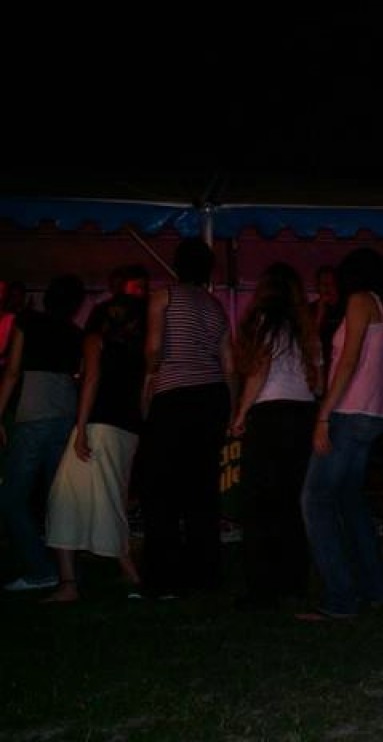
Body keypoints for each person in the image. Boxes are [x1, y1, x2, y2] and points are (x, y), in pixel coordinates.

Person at [300, 247, 383, 621]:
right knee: (349, 499)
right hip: (374, 412)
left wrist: (323, 415)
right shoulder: (381, 306)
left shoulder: (359, 301)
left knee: (315, 499)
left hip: (351, 410)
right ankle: (375, 587)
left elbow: (349, 360)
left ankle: (340, 597)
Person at [136, 238, 234, 599]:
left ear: (177, 265)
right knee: (202, 490)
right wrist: (232, 409)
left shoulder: (164, 297)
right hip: (211, 397)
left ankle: (163, 578)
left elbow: (153, 348)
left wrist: (150, 375)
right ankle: (204, 574)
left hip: (174, 395)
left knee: (160, 489)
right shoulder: (215, 306)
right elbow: (229, 366)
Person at [229, 262, 322, 611]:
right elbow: (319, 382)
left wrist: (241, 412)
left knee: (260, 504)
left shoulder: (265, 321)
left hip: (271, 414)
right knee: (291, 502)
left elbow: (259, 369)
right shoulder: (306, 330)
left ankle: (262, 588)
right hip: (303, 413)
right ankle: (293, 582)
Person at [44, 294, 146, 602]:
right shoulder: (138, 350)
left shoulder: (95, 341)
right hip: (126, 430)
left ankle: (72, 583)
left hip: (99, 426)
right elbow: (144, 394)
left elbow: (92, 380)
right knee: (105, 496)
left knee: (66, 499)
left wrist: (80, 429)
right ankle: (122, 574)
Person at [0, 274, 86, 591]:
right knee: (57, 498)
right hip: (65, 415)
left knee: (11, 498)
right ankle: (66, 569)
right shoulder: (75, 333)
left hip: (35, 413)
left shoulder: (27, 321)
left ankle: (41, 569)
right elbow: (80, 375)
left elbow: (12, 372)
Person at [309, 263, 343, 381]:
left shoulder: (347, 308)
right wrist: (320, 314)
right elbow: (309, 339)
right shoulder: (311, 309)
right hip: (321, 364)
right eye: (324, 284)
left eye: (331, 284)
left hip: (341, 361)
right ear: (318, 287)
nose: (328, 288)